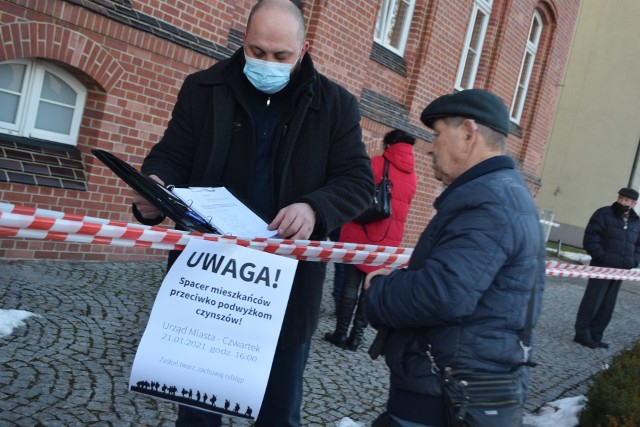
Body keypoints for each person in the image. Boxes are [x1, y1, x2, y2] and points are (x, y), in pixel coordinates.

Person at [131, 0, 374, 425]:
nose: (267, 64)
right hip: (207, 280)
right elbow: (171, 156)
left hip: (286, 284)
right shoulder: (203, 89)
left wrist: (315, 208)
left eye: (281, 56)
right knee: (198, 410)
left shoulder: (336, 105)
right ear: (243, 41)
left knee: (278, 413)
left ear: (304, 49)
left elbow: (357, 182)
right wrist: (153, 190)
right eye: (258, 52)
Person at [364, 89, 546, 427]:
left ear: (467, 132)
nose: (430, 148)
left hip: (445, 392)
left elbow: (445, 293)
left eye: (436, 134)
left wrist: (379, 289)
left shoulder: (488, 200)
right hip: (457, 384)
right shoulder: (502, 192)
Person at [324, 129, 418, 351]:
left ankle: (340, 334)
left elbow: (358, 192)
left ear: (389, 145)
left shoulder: (377, 163)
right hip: (389, 239)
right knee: (370, 286)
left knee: (350, 283)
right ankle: (356, 337)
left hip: (363, 231)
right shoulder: (413, 177)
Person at [573, 187, 640, 349]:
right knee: (592, 302)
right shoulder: (603, 214)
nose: (622, 202)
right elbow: (591, 239)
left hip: (620, 271)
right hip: (601, 268)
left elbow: (638, 245)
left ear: (634, 203)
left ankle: (596, 335)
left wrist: (634, 261)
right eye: (621, 198)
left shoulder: (636, 222)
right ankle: (582, 335)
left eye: (626, 200)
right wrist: (602, 257)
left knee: (607, 305)